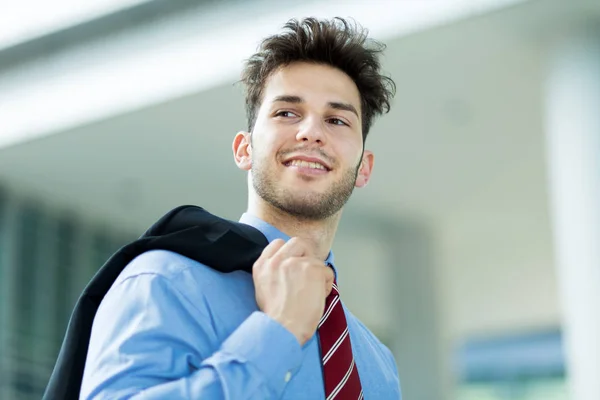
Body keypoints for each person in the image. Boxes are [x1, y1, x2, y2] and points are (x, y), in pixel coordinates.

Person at [79, 17, 400, 399]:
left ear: (364, 168)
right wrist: (276, 334)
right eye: (287, 113)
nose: (311, 131)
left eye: (336, 119)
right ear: (244, 149)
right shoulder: (164, 282)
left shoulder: (378, 363)